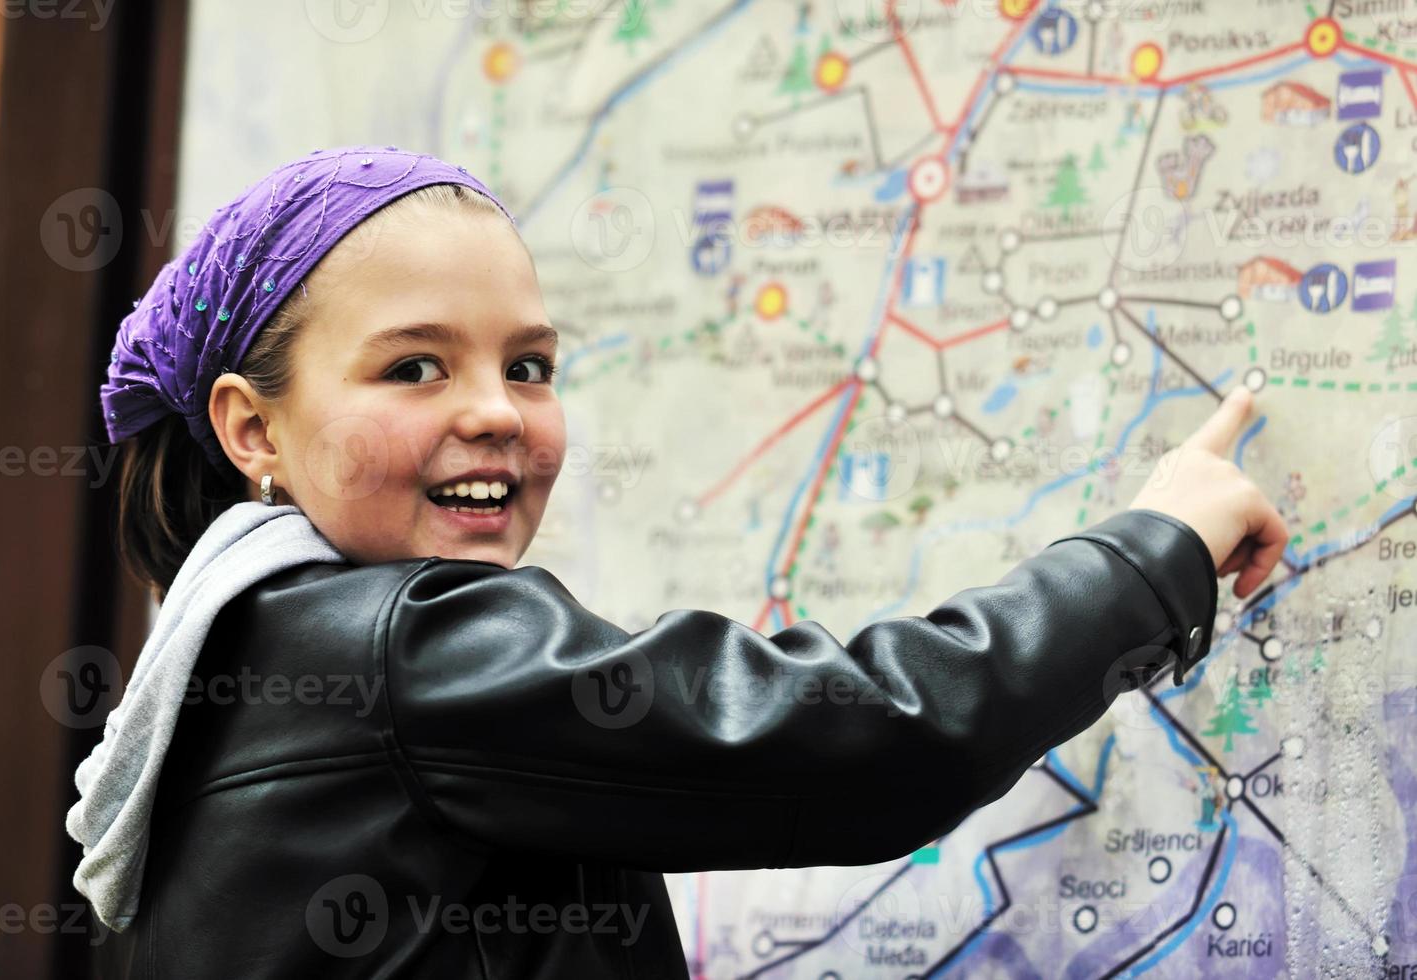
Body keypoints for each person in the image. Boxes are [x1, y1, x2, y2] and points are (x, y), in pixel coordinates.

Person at [69, 147, 1287, 978]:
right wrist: (1151, 554)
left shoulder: (223, 670)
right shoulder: (400, 649)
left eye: (529, 364)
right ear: (250, 428)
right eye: (415, 366)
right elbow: (875, 738)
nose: (498, 410)